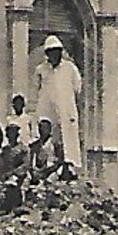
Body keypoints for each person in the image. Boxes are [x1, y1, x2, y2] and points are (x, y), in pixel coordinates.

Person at [32, 36, 83, 171]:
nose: (54, 55)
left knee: (68, 138)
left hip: (66, 109)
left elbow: (78, 88)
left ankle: (70, 167)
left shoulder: (70, 68)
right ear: (47, 54)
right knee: (49, 139)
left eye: (57, 51)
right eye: (51, 52)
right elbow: (36, 88)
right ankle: (48, 166)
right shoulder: (41, 69)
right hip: (48, 110)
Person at [0, 123, 30, 213]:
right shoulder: (4, 150)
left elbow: (26, 165)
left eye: (13, 133)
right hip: (6, 176)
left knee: (13, 185)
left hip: (20, 176)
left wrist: (14, 172)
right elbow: (0, 166)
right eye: (10, 133)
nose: (11, 136)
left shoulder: (23, 149)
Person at [29, 118, 62, 182]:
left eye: (45, 128)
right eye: (41, 128)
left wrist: (48, 171)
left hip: (51, 171)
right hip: (38, 171)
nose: (42, 130)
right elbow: (32, 162)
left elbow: (59, 161)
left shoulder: (55, 144)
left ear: (49, 130)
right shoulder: (35, 145)